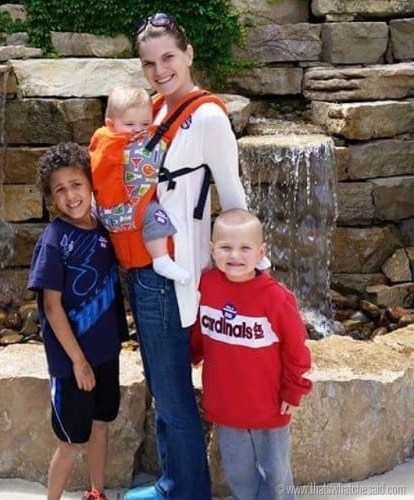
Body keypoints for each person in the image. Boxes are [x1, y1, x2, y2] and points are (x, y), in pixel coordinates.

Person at [123, 13, 270, 500]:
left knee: (174, 393)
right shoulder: (160, 109)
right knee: (163, 386)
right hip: (148, 268)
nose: (160, 69)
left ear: (188, 54)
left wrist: (253, 272)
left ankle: (185, 491)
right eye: (149, 63)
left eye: (168, 57)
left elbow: (232, 196)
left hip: (176, 273)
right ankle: (172, 481)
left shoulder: (207, 115)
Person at [27, 142, 128, 500]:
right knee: (71, 441)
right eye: (60, 189)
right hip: (73, 365)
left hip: (105, 355)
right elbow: (52, 307)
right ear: (51, 198)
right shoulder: (54, 242)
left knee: (100, 425)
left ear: (90, 184)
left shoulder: (102, 229)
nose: (71, 195)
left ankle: (96, 492)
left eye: (76, 184)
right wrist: (78, 361)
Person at [191, 208, 313, 500]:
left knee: (277, 474)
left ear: (261, 253)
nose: (235, 256)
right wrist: (187, 357)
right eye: (225, 247)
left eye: (245, 248)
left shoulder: (275, 297)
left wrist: (294, 390)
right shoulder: (206, 285)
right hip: (226, 406)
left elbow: (296, 349)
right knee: (238, 473)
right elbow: (198, 333)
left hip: (269, 407)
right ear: (212, 250)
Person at [89, 85, 190, 285]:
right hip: (126, 211)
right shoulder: (118, 144)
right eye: (129, 124)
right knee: (156, 216)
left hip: (107, 211)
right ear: (110, 123)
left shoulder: (101, 140)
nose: (137, 130)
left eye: (145, 123)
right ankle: (161, 258)